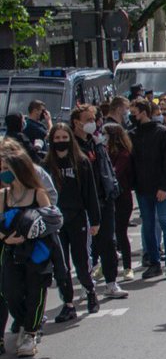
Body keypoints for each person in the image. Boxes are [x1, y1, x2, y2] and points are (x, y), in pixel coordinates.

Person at [0, 145, 61, 357]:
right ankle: (25, 322)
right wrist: (7, 237)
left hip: (37, 251)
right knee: (10, 292)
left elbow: (52, 221)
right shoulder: (3, 195)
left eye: (7, 167)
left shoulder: (38, 193)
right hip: (11, 250)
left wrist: (30, 232)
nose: (3, 171)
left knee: (36, 292)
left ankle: (30, 333)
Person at [41, 123, 101, 321]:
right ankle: (68, 303)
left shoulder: (81, 162)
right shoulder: (46, 165)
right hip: (56, 222)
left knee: (81, 260)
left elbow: (90, 193)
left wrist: (95, 220)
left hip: (77, 218)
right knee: (61, 265)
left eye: (63, 138)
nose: (60, 142)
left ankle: (90, 291)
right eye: (56, 138)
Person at [71, 105, 124, 298]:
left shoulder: (97, 141)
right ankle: (87, 284)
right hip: (84, 202)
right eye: (88, 119)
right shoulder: (72, 146)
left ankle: (111, 282)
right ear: (77, 122)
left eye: (94, 119)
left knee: (108, 242)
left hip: (104, 198)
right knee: (85, 246)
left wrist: (112, 185)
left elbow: (106, 165)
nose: (93, 123)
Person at [130, 98, 166, 280]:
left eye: (134, 112)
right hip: (143, 188)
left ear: (143, 112)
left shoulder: (162, 132)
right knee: (148, 225)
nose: (132, 115)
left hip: (162, 187)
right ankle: (154, 263)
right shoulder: (133, 134)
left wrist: (165, 186)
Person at [103, 123, 136, 281]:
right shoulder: (102, 151)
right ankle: (104, 266)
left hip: (122, 197)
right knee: (106, 235)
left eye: (105, 134)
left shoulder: (123, 153)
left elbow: (115, 172)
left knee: (121, 232)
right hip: (106, 198)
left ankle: (128, 267)